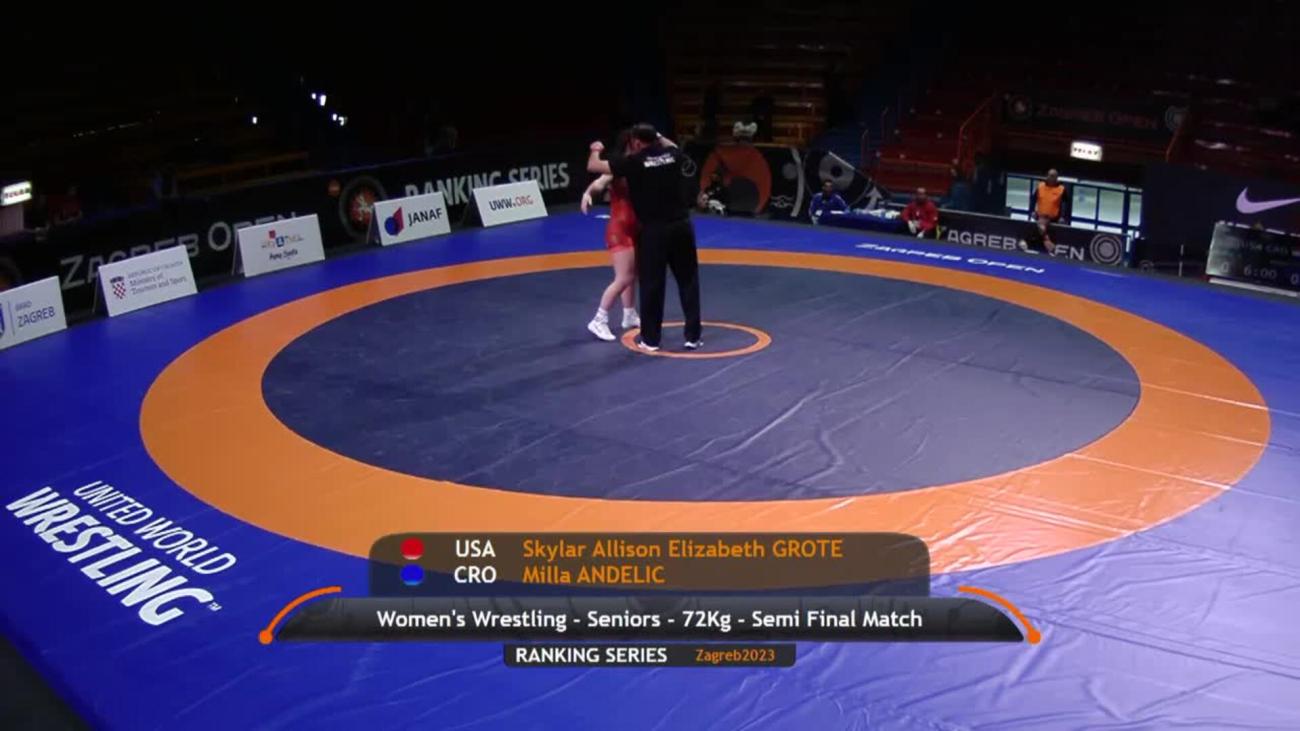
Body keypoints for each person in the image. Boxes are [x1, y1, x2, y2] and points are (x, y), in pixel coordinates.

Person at [588, 124, 702, 352]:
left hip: (654, 230)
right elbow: (674, 146)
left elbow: (594, 166)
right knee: (688, 282)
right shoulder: (672, 154)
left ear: (637, 143)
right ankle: (693, 337)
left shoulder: (635, 161)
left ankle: (651, 339)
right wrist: (659, 135)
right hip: (682, 226)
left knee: (652, 284)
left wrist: (595, 150)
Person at [580, 129, 640, 342]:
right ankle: (599, 319)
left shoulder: (639, 164)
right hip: (619, 229)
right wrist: (588, 193)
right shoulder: (617, 166)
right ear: (630, 144)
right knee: (624, 277)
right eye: (637, 142)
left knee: (632, 274)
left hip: (634, 227)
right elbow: (599, 183)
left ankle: (629, 314)